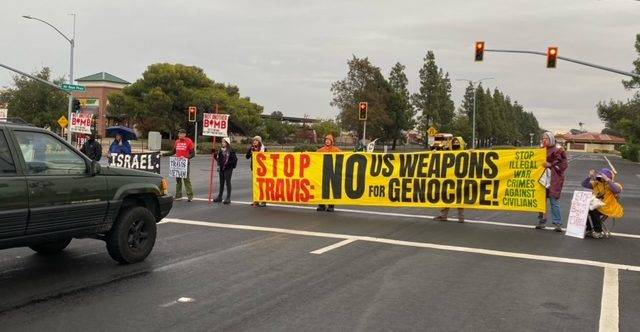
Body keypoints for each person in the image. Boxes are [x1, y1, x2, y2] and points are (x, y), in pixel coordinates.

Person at [535, 132, 568, 232]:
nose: (544, 140)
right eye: (543, 138)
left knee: (554, 201)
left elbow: (563, 165)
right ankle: (541, 221)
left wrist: (550, 165)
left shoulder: (559, 150)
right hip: (541, 179)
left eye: (546, 138)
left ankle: (557, 223)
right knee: (541, 201)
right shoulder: (540, 150)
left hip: (554, 179)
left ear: (551, 139)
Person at [581, 168, 624, 239]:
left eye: (603, 177)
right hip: (597, 205)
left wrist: (608, 180)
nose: (601, 178)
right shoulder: (596, 183)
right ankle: (588, 229)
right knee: (583, 209)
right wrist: (589, 176)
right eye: (600, 177)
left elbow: (617, 190)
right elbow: (584, 184)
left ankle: (598, 231)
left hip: (609, 207)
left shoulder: (613, 184)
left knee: (593, 211)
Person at [433, 137, 466, 223]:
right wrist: (435, 153)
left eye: (457, 142)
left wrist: (472, 151)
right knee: (446, 197)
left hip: (459, 179)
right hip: (449, 179)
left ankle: (461, 218)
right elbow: (441, 157)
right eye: (454, 142)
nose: (455, 143)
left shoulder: (465, 153)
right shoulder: (448, 152)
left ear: (461, 143)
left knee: (459, 198)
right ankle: (444, 216)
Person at [162, 129, 195, 202]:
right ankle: (178, 195)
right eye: (179, 134)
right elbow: (173, 152)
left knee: (186, 180)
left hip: (185, 163)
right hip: (178, 164)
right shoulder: (177, 141)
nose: (179, 135)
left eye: (181, 134)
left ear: (184, 134)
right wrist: (164, 154)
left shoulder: (189, 141)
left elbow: (193, 154)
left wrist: (186, 157)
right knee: (178, 180)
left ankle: (190, 196)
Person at [317, 134, 341, 212]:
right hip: (322, 172)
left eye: (329, 140)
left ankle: (331, 206)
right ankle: (321, 205)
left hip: (332, 173)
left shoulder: (336, 150)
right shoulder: (320, 150)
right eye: (326, 140)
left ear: (332, 141)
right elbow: (314, 157)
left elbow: (343, 157)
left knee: (331, 189)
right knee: (321, 189)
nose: (327, 141)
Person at [213, 137, 237, 204]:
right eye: (222, 142)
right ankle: (220, 197)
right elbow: (218, 159)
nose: (222, 143)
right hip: (221, 168)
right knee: (221, 182)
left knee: (228, 182)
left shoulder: (231, 150)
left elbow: (235, 160)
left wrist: (228, 164)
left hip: (228, 168)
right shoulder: (220, 150)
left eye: (224, 142)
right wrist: (214, 154)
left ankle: (228, 197)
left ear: (227, 143)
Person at [246, 135, 267, 207]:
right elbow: (247, 157)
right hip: (254, 169)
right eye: (254, 140)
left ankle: (263, 201)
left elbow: (267, 158)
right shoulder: (252, 148)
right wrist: (250, 152)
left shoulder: (264, 149)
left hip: (262, 170)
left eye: (256, 140)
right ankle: (256, 200)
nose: (254, 142)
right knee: (255, 185)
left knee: (262, 185)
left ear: (259, 141)